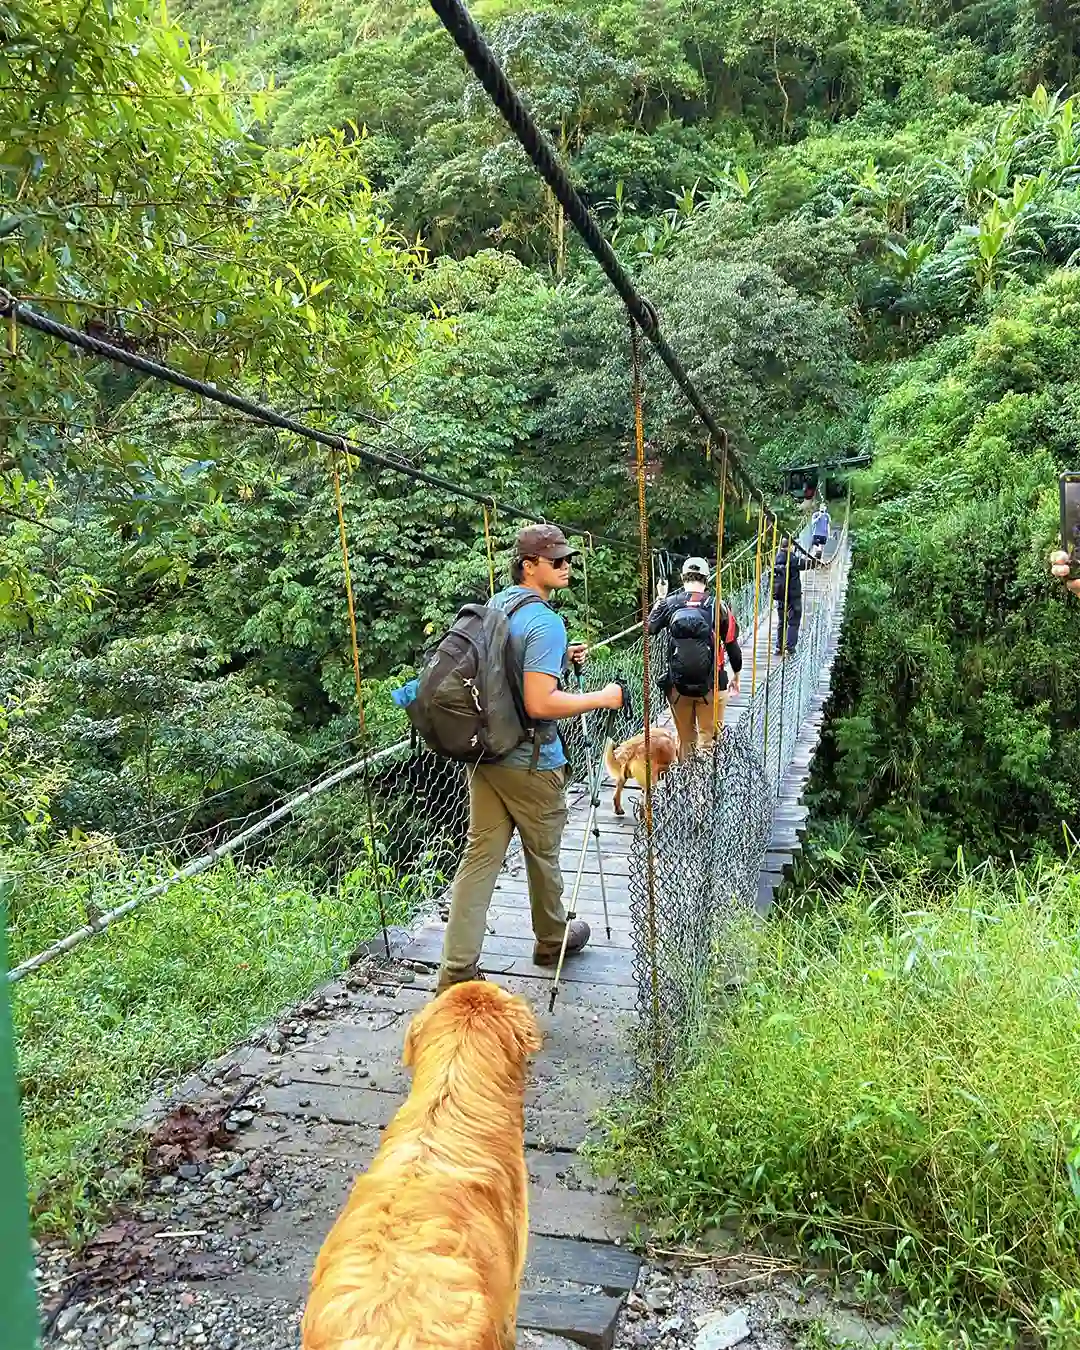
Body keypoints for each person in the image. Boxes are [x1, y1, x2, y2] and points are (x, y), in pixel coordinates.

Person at [435, 525, 625, 992]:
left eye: (567, 559)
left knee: (479, 859)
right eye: (556, 560)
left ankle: (457, 970)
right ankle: (552, 940)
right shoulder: (546, 622)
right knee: (543, 856)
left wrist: (558, 661)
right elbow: (540, 703)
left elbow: (507, 671)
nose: (566, 567)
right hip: (532, 761)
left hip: (486, 755)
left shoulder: (497, 605)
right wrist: (602, 698)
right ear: (529, 565)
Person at [648, 556, 742, 761]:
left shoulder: (670, 604)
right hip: (713, 685)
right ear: (706, 579)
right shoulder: (718, 606)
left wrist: (661, 598)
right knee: (708, 741)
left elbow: (650, 627)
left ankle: (687, 779)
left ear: (683, 578)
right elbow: (732, 647)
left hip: (677, 686)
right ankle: (706, 780)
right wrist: (736, 675)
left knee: (685, 741)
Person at [772, 536, 816, 656]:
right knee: (794, 622)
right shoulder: (792, 559)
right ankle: (790, 647)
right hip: (793, 596)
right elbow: (806, 565)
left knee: (782, 622)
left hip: (780, 596)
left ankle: (778, 647)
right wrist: (816, 559)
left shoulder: (777, 557)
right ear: (791, 546)